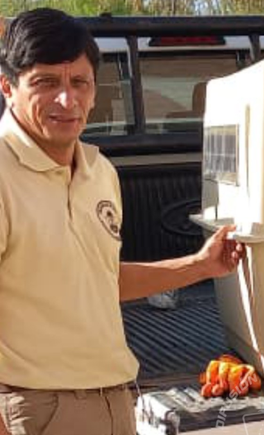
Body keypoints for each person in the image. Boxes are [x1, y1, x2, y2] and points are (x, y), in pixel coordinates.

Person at [0, 8, 244, 435]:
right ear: (8, 87)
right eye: (46, 82)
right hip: (37, 410)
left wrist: (201, 266)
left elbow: (102, 281)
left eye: (80, 82)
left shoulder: (99, 171)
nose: (67, 100)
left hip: (115, 401)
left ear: (95, 90)